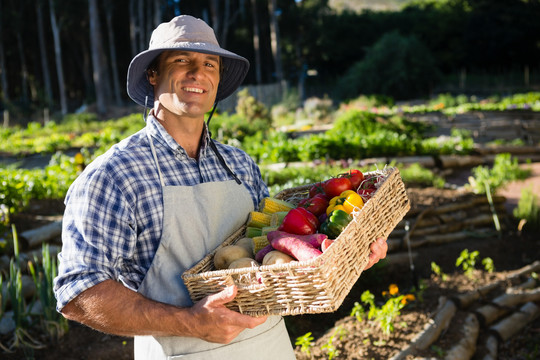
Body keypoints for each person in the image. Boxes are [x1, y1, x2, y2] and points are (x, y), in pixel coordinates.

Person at [53, 15, 389, 359]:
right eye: (181, 61)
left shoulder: (240, 164)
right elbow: (78, 292)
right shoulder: (114, 176)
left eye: (209, 64)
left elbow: (276, 256)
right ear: (152, 74)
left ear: (218, 78)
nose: (197, 73)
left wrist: (344, 254)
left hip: (270, 347)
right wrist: (190, 322)